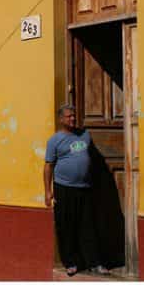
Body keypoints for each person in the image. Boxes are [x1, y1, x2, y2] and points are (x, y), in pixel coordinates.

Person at [44, 104, 110, 277]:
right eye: (68, 116)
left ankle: (94, 262)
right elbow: (48, 166)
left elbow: (93, 160)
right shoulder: (54, 140)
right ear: (60, 119)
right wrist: (47, 191)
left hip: (84, 188)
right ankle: (71, 262)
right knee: (66, 226)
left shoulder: (85, 135)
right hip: (64, 188)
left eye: (73, 116)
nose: (72, 119)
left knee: (88, 226)